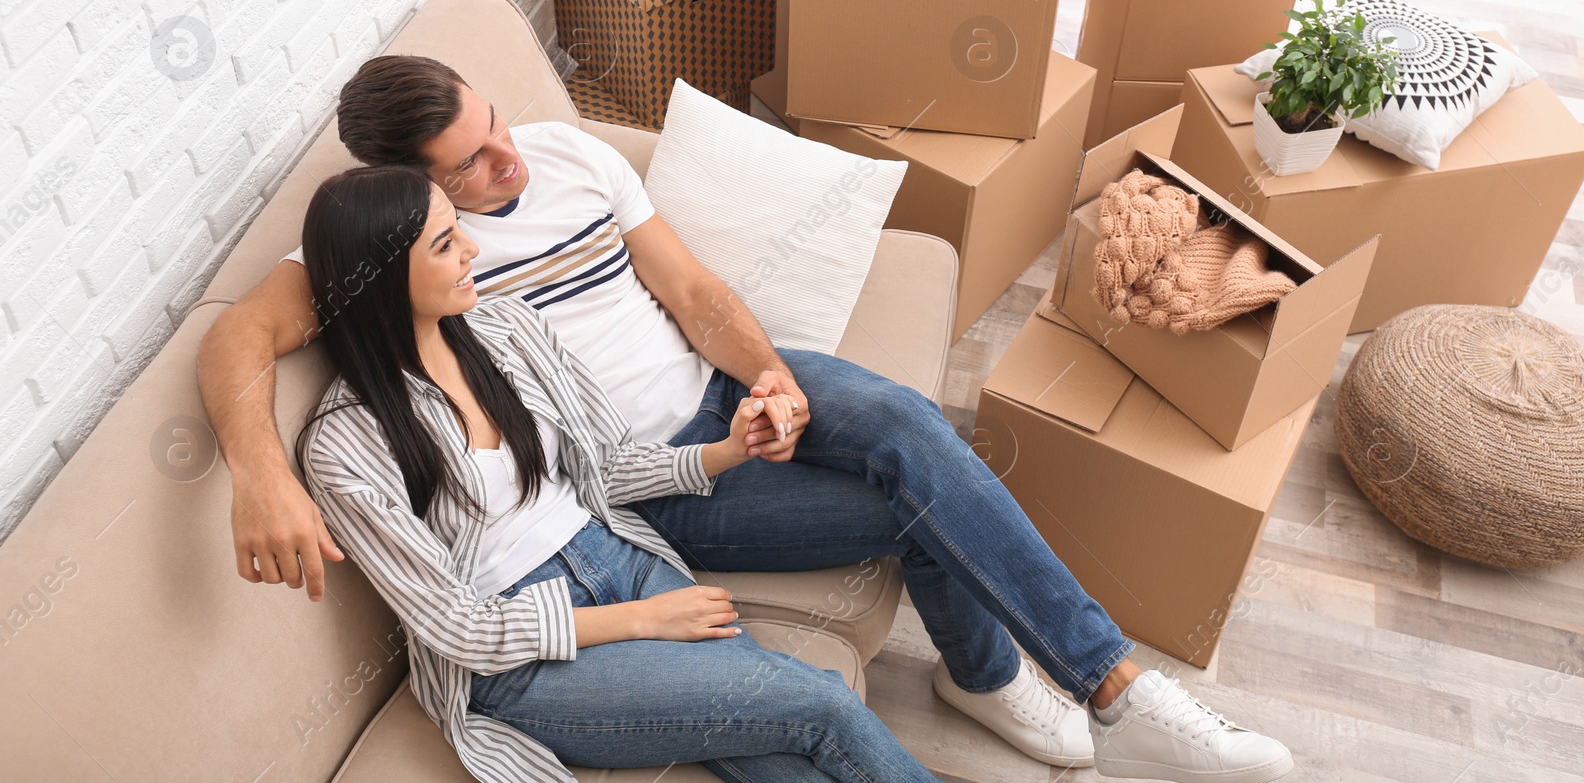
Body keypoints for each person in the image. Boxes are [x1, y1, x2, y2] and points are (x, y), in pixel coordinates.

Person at [200, 54, 1295, 783]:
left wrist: (765, 385)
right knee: (835, 645)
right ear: (405, 203)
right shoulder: (377, 274)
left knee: (916, 440)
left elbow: (691, 303)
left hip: (686, 440)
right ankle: (1011, 675)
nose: (512, 161)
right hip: (613, 539)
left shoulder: (539, 212)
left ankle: (1100, 682)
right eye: (470, 172)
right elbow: (237, 338)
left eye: (497, 128)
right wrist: (259, 471)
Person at [296, 165, 941, 782]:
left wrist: (725, 451)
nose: (471, 247)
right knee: (819, 705)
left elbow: (603, 463)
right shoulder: (344, 444)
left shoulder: (506, 327)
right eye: (444, 243)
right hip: (521, 656)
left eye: (456, 227)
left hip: (620, 557)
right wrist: (644, 620)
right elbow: (457, 627)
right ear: (377, 277)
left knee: (777, 746)